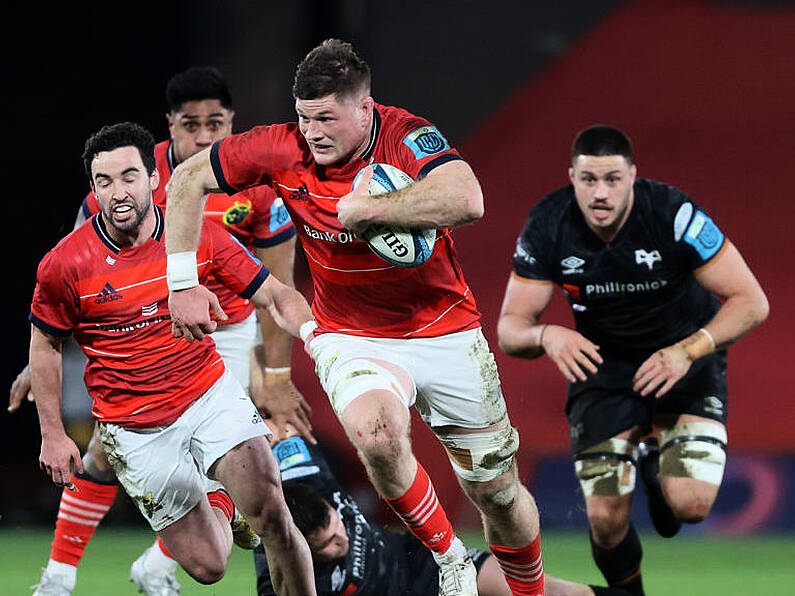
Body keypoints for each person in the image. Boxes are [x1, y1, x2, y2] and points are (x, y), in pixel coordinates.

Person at [164, 39, 545, 596]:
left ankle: (529, 591)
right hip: (354, 335)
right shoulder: (280, 147)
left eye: (326, 118)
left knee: (499, 494)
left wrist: (371, 210)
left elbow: (467, 197)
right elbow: (187, 180)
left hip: (446, 329)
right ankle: (451, 558)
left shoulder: (405, 134)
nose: (312, 131)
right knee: (377, 436)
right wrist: (181, 284)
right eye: (304, 117)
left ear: (365, 110)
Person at [23, 66, 312, 596]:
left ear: (152, 179)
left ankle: (60, 578)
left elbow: (276, 288)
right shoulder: (69, 256)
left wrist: (284, 365)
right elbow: (54, 323)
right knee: (207, 562)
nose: (203, 136)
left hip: (219, 338)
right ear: (170, 132)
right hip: (130, 378)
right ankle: (152, 555)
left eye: (215, 123)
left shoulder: (236, 201)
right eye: (104, 182)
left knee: (270, 503)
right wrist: (50, 426)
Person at [497, 124, 769, 595]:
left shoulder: (673, 214)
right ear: (572, 177)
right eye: (588, 180)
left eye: (612, 179)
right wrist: (548, 334)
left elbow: (752, 302)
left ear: (633, 177)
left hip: (684, 361)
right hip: (603, 371)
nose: (600, 193)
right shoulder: (549, 224)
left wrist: (687, 351)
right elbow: (509, 328)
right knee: (604, 518)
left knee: (690, 506)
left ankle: (652, 466)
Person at [257, 427, 635, 596]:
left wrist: (274, 409)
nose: (341, 535)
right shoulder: (286, 582)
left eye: (336, 523)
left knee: (547, 592)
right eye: (326, 545)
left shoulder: (308, 479)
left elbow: (276, 417)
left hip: (419, 562)